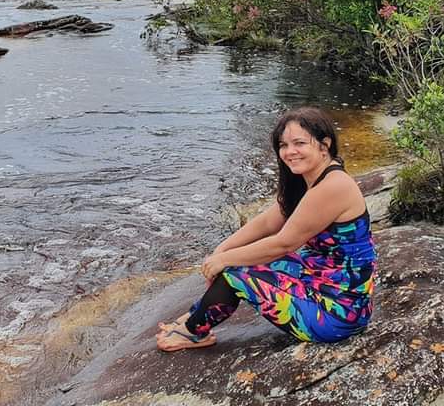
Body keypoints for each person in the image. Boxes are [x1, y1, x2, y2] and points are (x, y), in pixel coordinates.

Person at [156, 106, 377, 351]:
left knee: (234, 272)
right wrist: (222, 250)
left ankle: (193, 331)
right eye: (283, 145)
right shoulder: (309, 178)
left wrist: (224, 260)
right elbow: (268, 222)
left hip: (337, 313)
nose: (290, 152)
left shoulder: (334, 185)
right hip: (317, 280)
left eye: (299, 143)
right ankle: (197, 315)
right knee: (236, 259)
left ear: (324, 145)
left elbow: (284, 243)